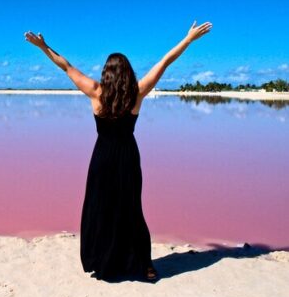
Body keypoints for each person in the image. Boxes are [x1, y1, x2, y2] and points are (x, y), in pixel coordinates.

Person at [24, 20, 212, 282]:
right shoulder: (137, 93)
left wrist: (43, 47)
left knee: (102, 208)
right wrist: (188, 39)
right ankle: (143, 265)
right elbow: (165, 61)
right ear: (127, 73)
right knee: (131, 209)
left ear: (106, 73)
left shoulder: (95, 92)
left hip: (102, 158)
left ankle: (106, 261)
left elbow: (65, 66)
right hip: (127, 157)